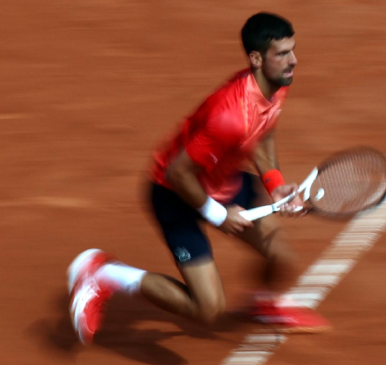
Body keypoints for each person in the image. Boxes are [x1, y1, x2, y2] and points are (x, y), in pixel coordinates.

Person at [67, 12, 330, 345]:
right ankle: (104, 274)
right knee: (207, 309)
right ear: (256, 59)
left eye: (292, 50)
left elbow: (263, 135)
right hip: (175, 193)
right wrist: (218, 215)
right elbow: (179, 173)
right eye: (282, 54)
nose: (293, 60)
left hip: (224, 181)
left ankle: (262, 303)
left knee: (280, 256)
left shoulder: (275, 87)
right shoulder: (230, 116)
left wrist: (276, 185)